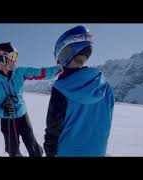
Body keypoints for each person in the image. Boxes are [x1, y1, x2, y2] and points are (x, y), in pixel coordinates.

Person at [43, 25, 115, 157]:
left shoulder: (61, 88)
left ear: (65, 54)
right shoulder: (106, 87)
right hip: (97, 151)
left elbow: (53, 128)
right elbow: (107, 122)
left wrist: (49, 149)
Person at [0, 42, 63, 157]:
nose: (14, 60)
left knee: (33, 147)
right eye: (12, 57)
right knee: (13, 150)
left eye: (16, 57)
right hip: (7, 120)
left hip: (22, 115)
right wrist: (3, 111)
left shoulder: (20, 72)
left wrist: (60, 69)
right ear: (2, 57)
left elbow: (41, 73)